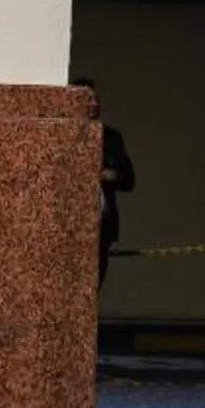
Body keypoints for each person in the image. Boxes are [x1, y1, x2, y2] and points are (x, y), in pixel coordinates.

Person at [74, 78, 136, 293]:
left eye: (96, 99)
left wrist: (113, 176)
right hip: (70, 223)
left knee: (93, 284)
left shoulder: (111, 137)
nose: (94, 104)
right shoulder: (64, 135)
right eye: (87, 99)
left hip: (101, 225)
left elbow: (129, 180)